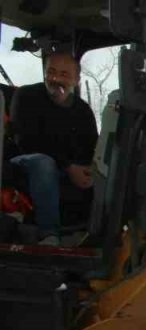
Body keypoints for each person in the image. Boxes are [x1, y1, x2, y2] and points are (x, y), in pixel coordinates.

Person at [5, 48, 98, 238]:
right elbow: (26, 141)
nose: (55, 79)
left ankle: (92, 232)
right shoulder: (26, 96)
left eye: (64, 74)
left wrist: (90, 169)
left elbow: (92, 146)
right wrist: (68, 166)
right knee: (43, 162)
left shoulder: (83, 111)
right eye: (51, 72)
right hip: (23, 163)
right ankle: (48, 235)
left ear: (76, 80)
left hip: (65, 168)